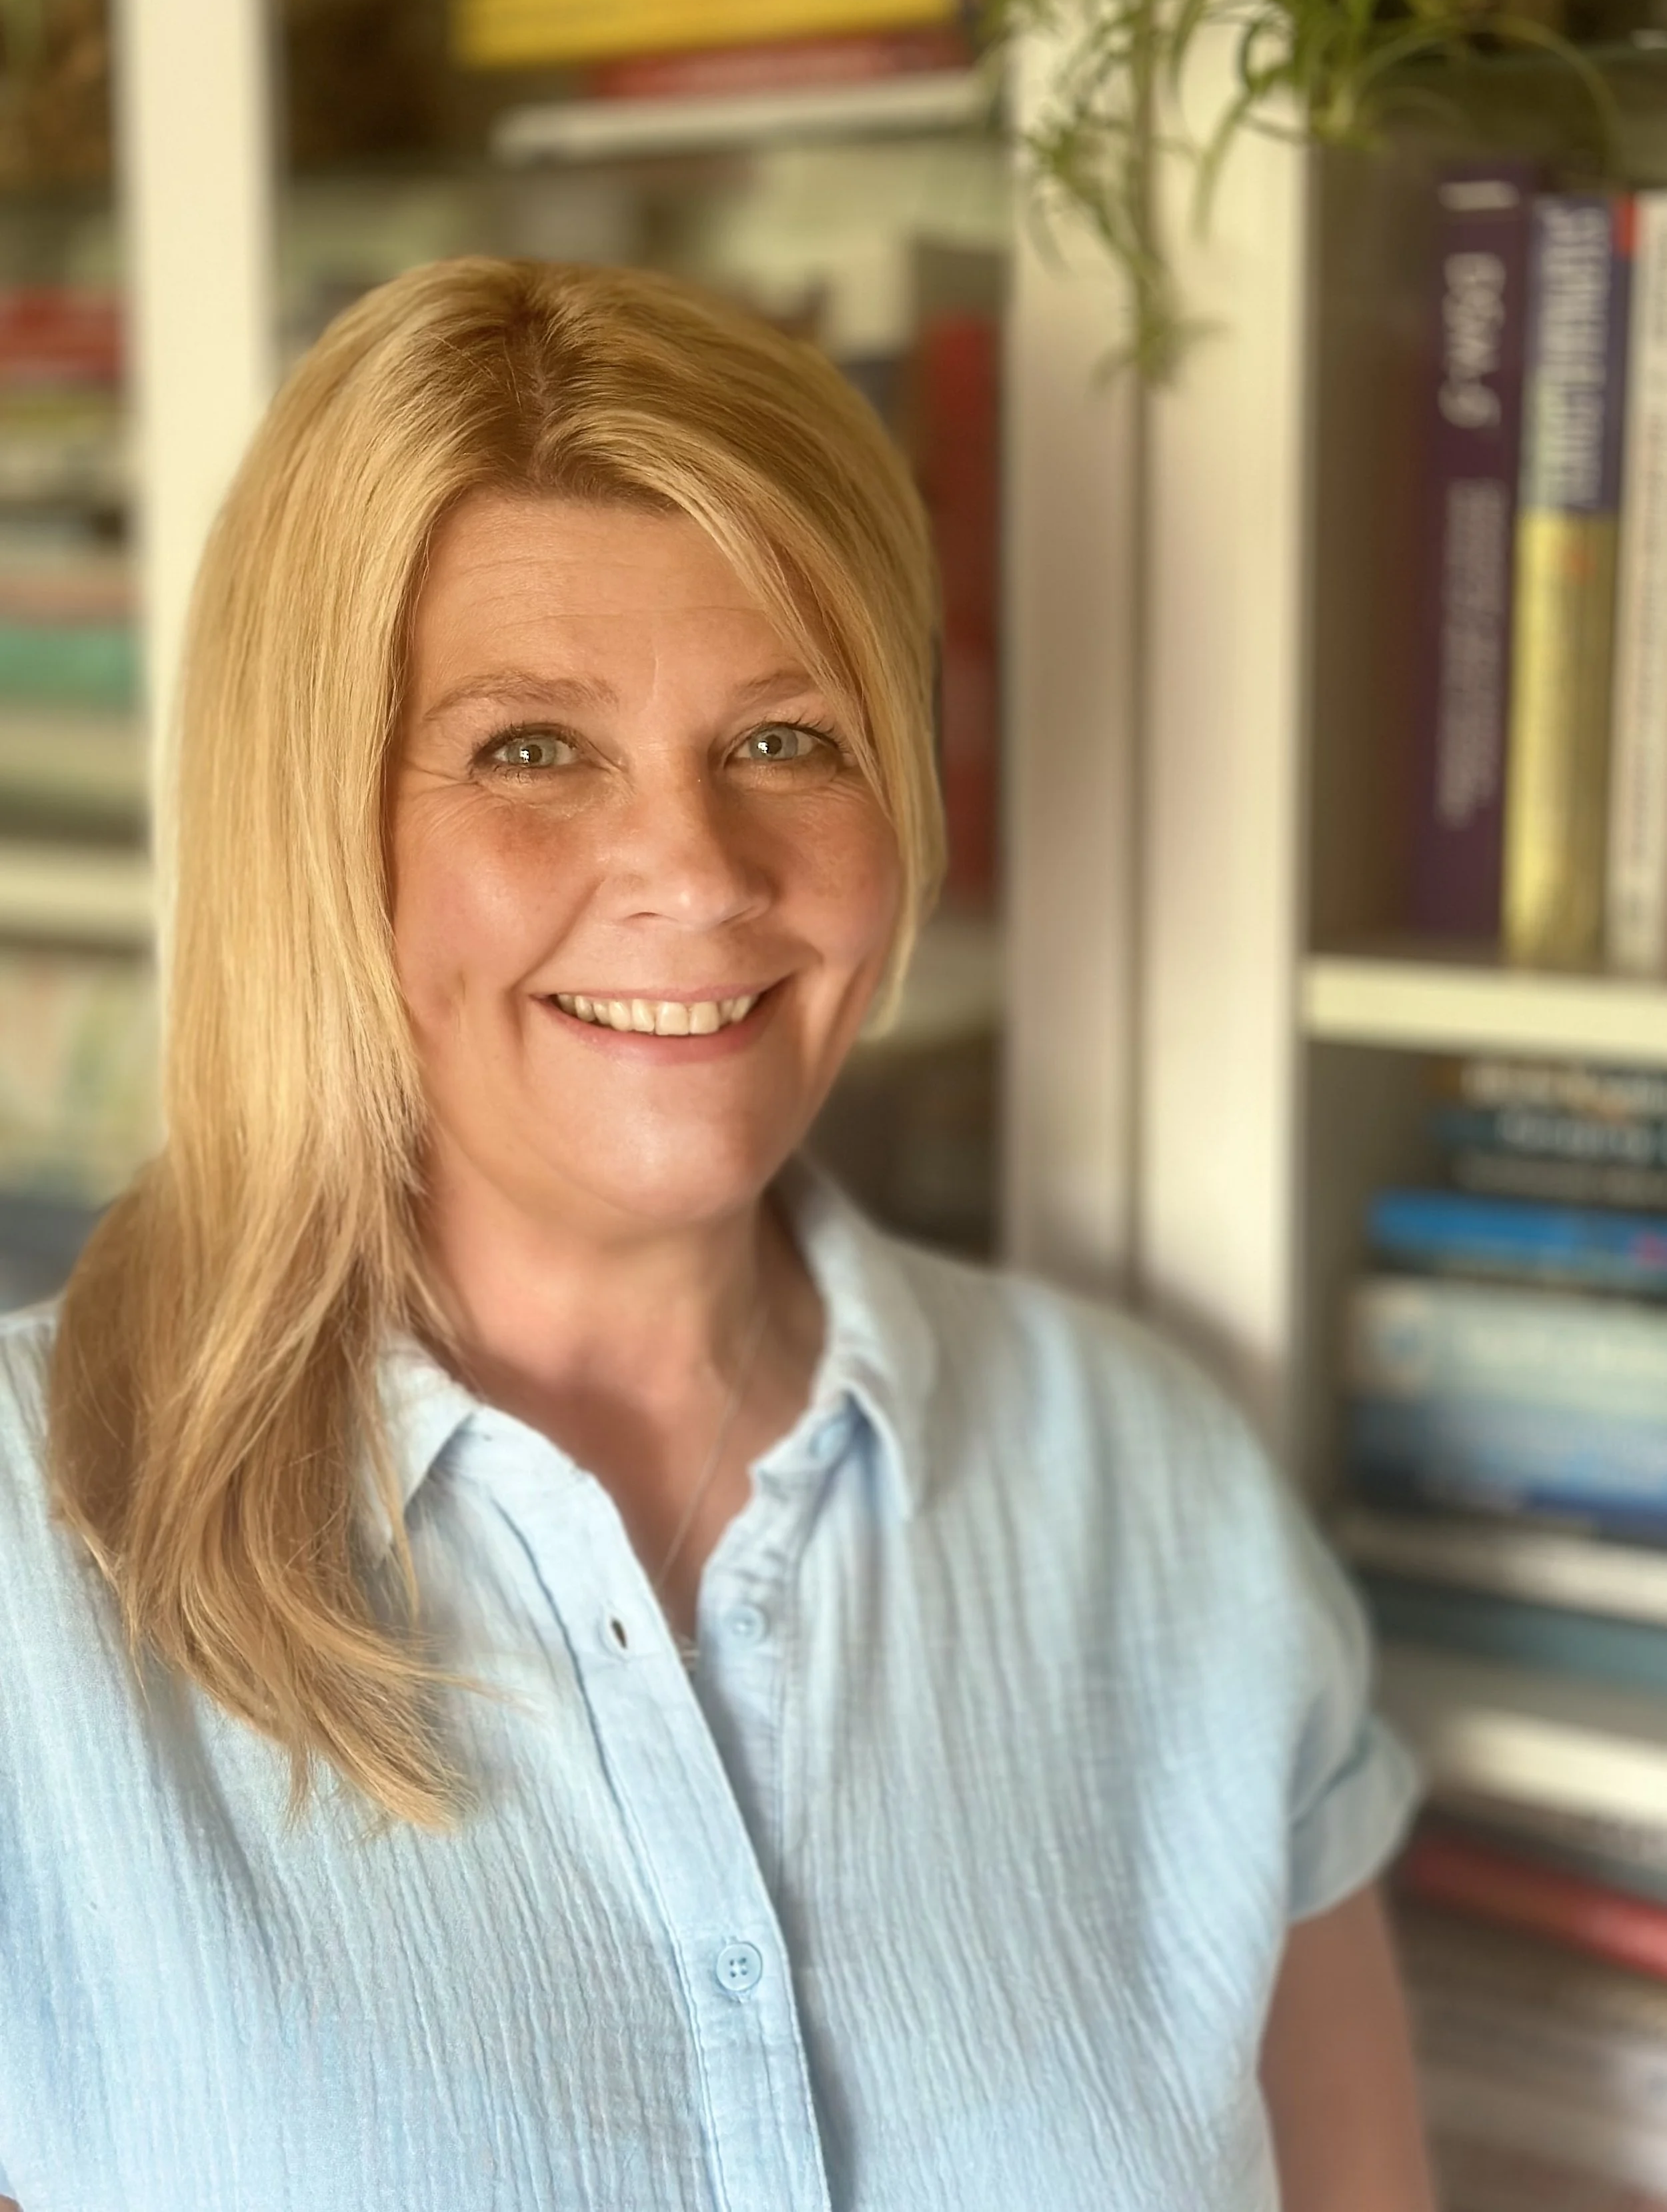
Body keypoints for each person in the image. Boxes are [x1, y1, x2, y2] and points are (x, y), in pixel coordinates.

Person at [0, 257, 1432, 2211]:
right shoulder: (24, 1562)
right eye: (530, 750)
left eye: (785, 738)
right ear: (315, 827)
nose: (694, 872)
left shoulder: (1153, 1489)